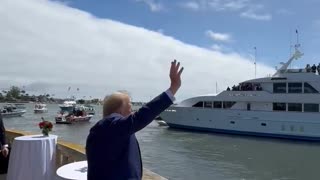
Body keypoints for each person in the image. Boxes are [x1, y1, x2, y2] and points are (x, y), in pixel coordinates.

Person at [86, 60, 184, 180]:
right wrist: (173, 88)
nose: (132, 111)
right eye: (130, 106)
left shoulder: (104, 129)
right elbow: (142, 115)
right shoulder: (112, 125)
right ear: (120, 109)